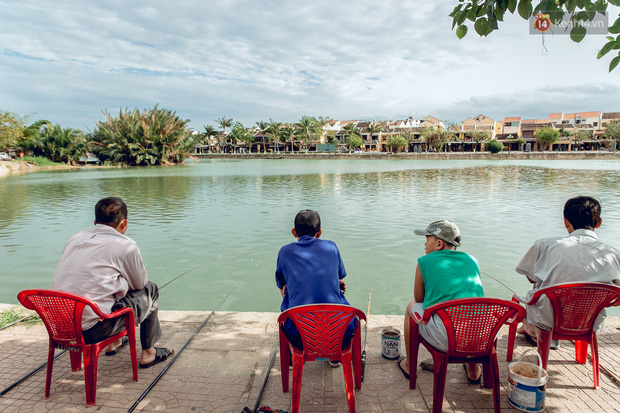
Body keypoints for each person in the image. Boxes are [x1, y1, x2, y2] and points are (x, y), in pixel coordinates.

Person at [52, 197, 173, 368]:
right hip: (91, 330)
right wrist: (122, 282)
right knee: (150, 289)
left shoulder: (75, 239)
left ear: (95, 222)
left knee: (108, 292)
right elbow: (139, 284)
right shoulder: (126, 245)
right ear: (124, 224)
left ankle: (113, 343)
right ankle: (148, 353)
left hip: (60, 326)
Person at [515, 196, 620, 343]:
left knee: (539, 284)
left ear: (565, 222)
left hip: (548, 320)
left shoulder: (545, 245)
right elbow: (617, 299)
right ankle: (532, 330)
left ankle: (533, 331)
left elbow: (531, 277)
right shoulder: (613, 254)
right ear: (599, 223)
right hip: (589, 322)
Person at [398, 220, 484, 384]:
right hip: (480, 339)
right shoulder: (473, 260)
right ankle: (473, 370)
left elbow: (419, 299)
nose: (424, 243)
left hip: (447, 340)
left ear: (439, 243)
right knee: (469, 311)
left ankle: (409, 364)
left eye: (427, 239)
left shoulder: (424, 262)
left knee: (411, 306)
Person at [275, 209, 355, 365]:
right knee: (335, 293)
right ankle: (334, 355)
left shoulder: (285, 251)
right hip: (338, 332)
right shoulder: (331, 247)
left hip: (299, 335)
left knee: (285, 286)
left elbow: (281, 284)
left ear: (293, 232)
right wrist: (335, 282)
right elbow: (339, 276)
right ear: (319, 233)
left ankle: (294, 356)